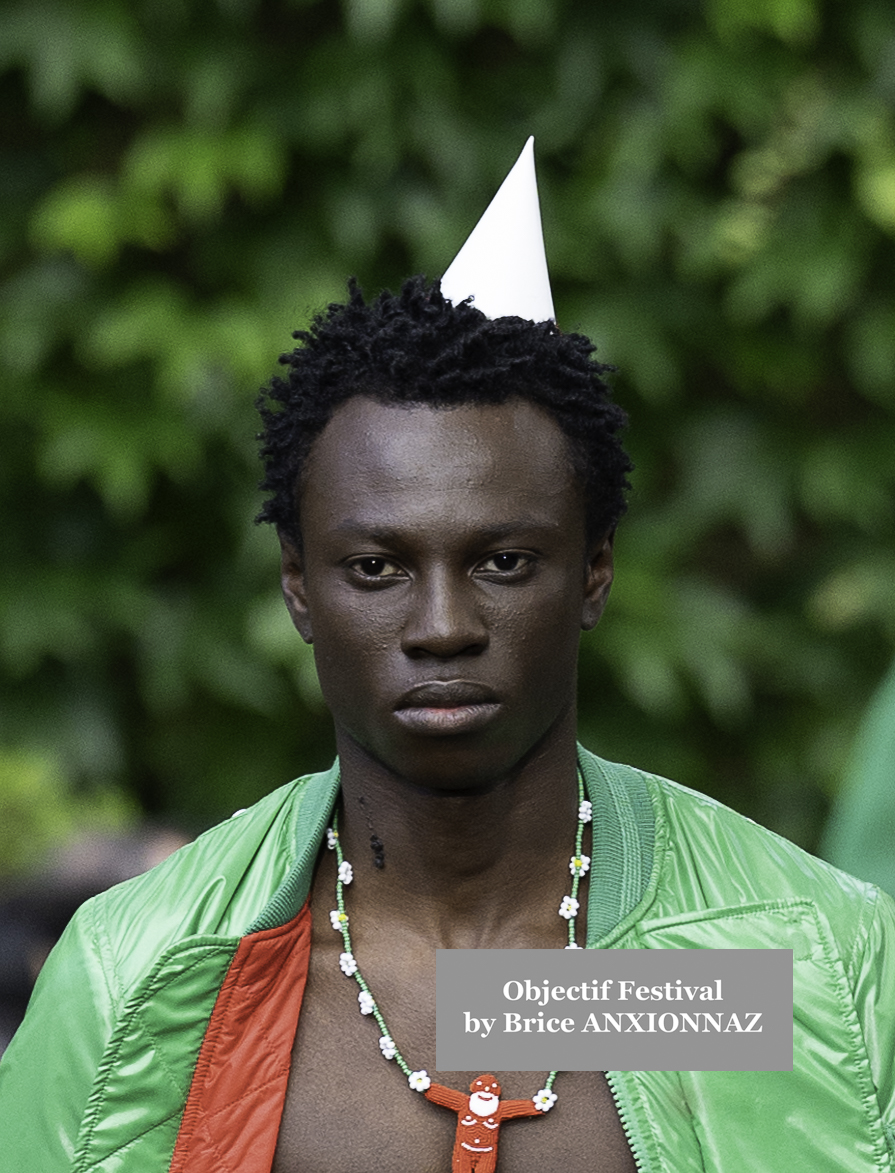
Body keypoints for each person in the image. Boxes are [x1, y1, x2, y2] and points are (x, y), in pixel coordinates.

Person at [1, 141, 894, 1173]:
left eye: (504, 560)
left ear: (594, 571)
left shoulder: (799, 963)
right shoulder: (139, 975)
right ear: (298, 585)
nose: (440, 625)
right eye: (376, 567)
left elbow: (517, 1012)